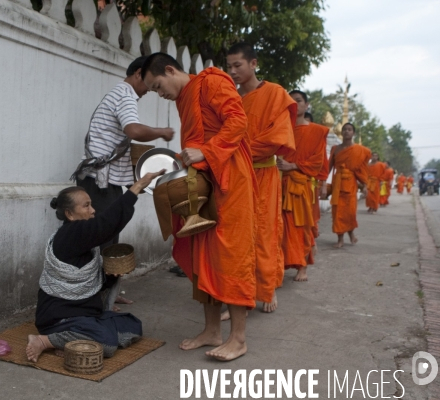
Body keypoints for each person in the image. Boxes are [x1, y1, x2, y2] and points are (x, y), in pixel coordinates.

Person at [142, 53, 258, 361]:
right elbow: (196, 144)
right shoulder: (185, 98)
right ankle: (211, 330)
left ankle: (238, 338)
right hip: (204, 180)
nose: (160, 94)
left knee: (231, 257)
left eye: (158, 86)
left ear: (170, 70)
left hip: (230, 181)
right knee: (203, 253)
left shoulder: (211, 82)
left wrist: (205, 151)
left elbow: (238, 122)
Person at [26, 170, 165, 362]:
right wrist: (137, 187)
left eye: (91, 205)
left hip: (85, 314)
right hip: (59, 317)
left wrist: (111, 275)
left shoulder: (84, 240)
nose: (93, 210)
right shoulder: (70, 234)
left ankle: (71, 344)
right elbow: (106, 225)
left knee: (131, 325)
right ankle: (44, 341)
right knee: (107, 344)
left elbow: (93, 284)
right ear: (70, 214)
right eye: (86, 206)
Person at [71, 56, 175, 307]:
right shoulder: (125, 94)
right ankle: (97, 299)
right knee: (102, 238)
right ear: (138, 73)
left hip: (102, 181)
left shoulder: (119, 93)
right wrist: (162, 131)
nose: (150, 91)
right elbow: (134, 131)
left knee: (108, 237)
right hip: (101, 183)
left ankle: (109, 292)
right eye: (150, 85)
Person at [224, 42, 296, 314]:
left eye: (237, 65)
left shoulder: (275, 94)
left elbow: (277, 138)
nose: (233, 71)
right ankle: (235, 294)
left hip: (264, 174)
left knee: (264, 232)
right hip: (235, 175)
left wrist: (237, 150)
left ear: (253, 63)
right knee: (236, 236)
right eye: (229, 66)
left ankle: (267, 289)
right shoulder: (231, 98)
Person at [277, 90, 328, 282]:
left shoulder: (317, 131)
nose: (295, 104)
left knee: (302, 227)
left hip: (301, 186)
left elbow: (317, 162)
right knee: (281, 229)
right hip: (280, 185)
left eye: (298, 101)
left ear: (306, 105)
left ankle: (303, 266)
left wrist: (294, 166)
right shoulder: (282, 128)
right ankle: (280, 265)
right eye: (291, 101)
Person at [329, 123, 371, 248]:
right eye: (344, 129)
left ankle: (351, 234)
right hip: (337, 185)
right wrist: (322, 183)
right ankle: (340, 239)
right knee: (337, 213)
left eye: (349, 129)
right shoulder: (335, 149)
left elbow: (361, 170)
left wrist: (365, 186)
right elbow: (328, 167)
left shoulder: (359, 150)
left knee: (350, 213)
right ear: (341, 133)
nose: (347, 131)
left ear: (353, 133)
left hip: (351, 185)